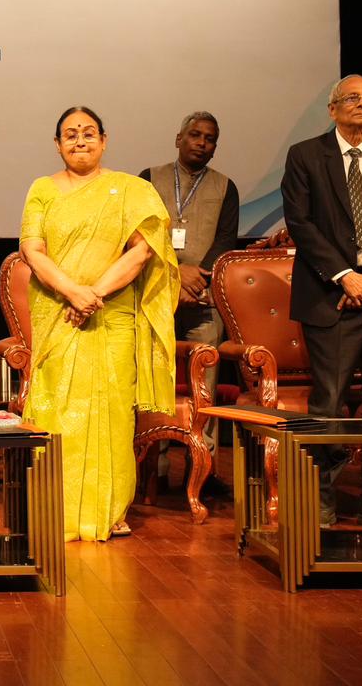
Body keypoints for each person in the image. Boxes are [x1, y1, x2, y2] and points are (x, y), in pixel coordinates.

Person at [19, 106, 178, 541]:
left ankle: (109, 509)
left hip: (111, 318)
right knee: (57, 410)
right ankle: (56, 505)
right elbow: (33, 251)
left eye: (89, 133)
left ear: (105, 140)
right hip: (58, 313)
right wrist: (73, 292)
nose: (80, 140)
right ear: (57, 144)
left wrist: (94, 295)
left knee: (110, 413)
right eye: (70, 134)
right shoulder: (42, 189)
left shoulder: (131, 190)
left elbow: (143, 251)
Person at [281, 74, 362, 530]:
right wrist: (345, 276)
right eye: (352, 98)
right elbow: (301, 222)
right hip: (330, 296)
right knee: (329, 402)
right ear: (333, 108)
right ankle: (321, 497)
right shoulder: (306, 156)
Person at [139, 111, 239, 469]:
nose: (201, 143)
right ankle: (155, 467)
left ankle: (203, 467)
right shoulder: (148, 181)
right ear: (178, 139)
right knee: (156, 381)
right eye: (195, 135)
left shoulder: (226, 186)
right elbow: (139, 236)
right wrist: (175, 275)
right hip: (156, 297)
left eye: (209, 139)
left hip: (204, 299)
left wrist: (199, 276)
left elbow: (227, 240)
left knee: (204, 385)